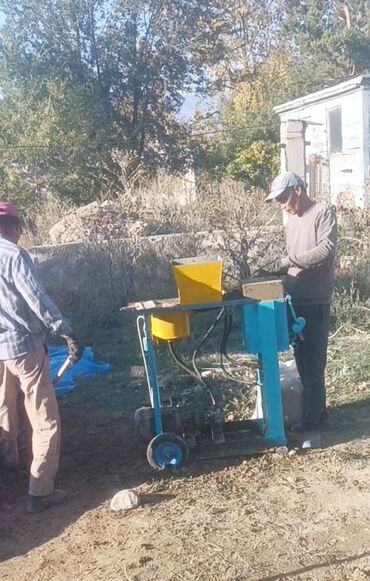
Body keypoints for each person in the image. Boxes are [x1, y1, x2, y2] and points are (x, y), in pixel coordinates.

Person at [0, 201, 83, 512]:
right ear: (16, 228)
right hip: (23, 346)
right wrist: (65, 330)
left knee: (5, 406)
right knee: (45, 418)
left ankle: (10, 461)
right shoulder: (12, 255)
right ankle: (41, 490)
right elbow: (36, 298)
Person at [265, 172, 338, 449]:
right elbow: (291, 263)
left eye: (283, 198)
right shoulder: (291, 221)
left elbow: (325, 250)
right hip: (294, 301)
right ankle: (317, 414)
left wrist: (289, 262)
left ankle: (313, 426)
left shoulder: (323, 213)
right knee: (303, 362)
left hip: (315, 300)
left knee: (314, 363)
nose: (282, 205)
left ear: (296, 190)